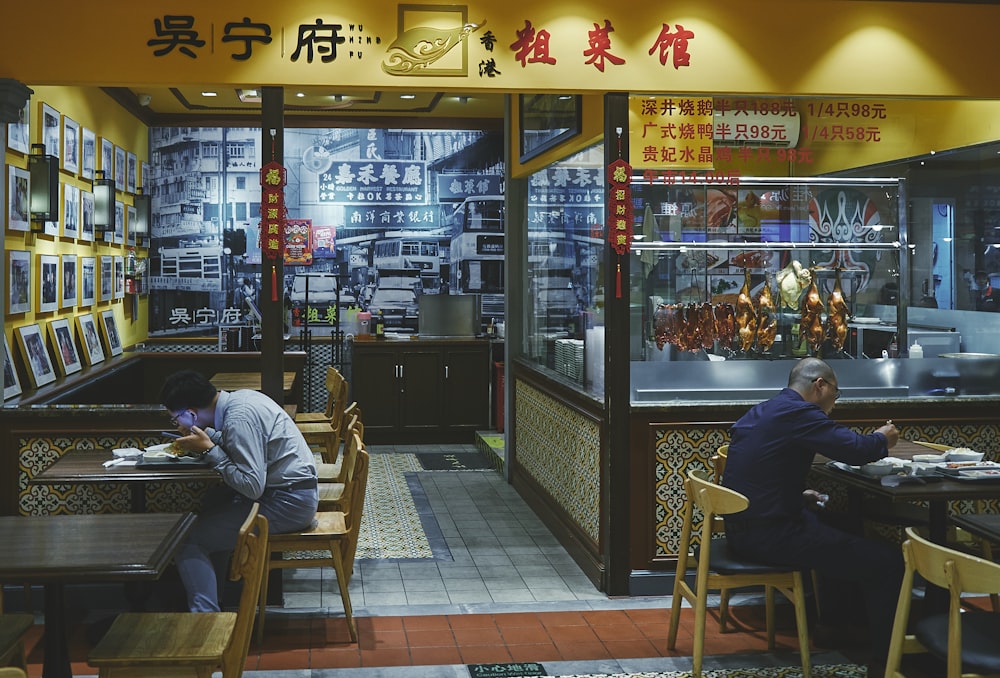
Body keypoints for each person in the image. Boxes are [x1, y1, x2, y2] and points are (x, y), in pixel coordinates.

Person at [721, 357, 902, 674]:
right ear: (820, 385)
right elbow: (856, 450)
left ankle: (835, 626)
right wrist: (881, 439)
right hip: (769, 535)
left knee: (846, 525)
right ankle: (888, 657)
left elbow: (760, 472)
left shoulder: (768, 408)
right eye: (836, 392)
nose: (835, 401)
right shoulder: (800, 413)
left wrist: (794, 495)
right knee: (887, 562)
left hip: (744, 527)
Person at [161, 370, 318, 612]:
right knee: (212, 509)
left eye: (177, 419)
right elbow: (240, 445)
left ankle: (205, 622)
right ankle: (216, 605)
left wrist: (210, 450)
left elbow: (252, 486)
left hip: (290, 501)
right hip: (290, 493)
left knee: (188, 540)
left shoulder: (239, 417)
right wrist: (209, 439)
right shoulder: (240, 399)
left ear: (191, 413)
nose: (177, 424)